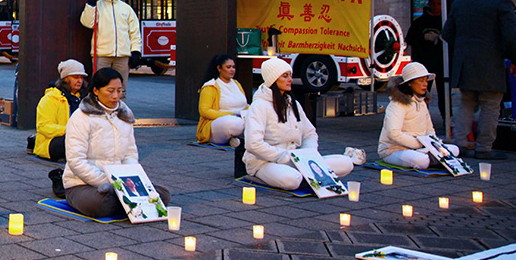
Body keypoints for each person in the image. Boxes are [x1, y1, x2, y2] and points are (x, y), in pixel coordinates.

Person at [60, 68, 170, 219]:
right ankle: (127, 203)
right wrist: (109, 183)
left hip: (122, 182)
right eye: (110, 90)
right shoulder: (81, 117)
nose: (115, 96)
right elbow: (75, 161)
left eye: (119, 91)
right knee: (101, 204)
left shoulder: (125, 115)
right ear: (96, 91)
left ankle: (126, 201)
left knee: (163, 195)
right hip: (82, 183)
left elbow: (130, 154)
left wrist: (127, 181)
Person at [243, 57, 354, 190]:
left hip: (297, 159)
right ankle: (305, 176)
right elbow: (253, 144)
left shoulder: (293, 103)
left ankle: (306, 174)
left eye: (290, 75)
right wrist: (283, 157)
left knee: (347, 163)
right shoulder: (259, 106)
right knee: (292, 180)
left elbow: (310, 133)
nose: (290, 79)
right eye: (285, 76)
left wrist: (308, 155)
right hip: (265, 162)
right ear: (273, 79)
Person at [443, 0, 516, 161]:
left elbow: (447, 34)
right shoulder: (501, 3)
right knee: (491, 106)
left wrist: (465, 49)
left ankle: (460, 145)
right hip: (491, 64)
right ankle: (484, 147)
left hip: (465, 64)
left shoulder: (460, 2)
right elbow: (510, 37)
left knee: (466, 104)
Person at [378, 62, 460, 169]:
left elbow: (430, 129)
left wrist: (433, 144)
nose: (425, 84)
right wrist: (419, 145)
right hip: (394, 150)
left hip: (420, 148)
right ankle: (431, 159)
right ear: (410, 83)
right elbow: (393, 133)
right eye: (421, 81)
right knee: (422, 161)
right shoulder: (397, 104)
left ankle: (430, 157)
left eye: (426, 80)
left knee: (454, 149)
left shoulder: (422, 102)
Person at [80, 0, 142, 90]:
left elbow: (134, 32)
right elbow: (87, 23)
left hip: (122, 56)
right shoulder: (97, 5)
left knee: (120, 89)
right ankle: (100, 107)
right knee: (100, 87)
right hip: (102, 55)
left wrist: (136, 51)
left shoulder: (126, 9)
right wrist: (90, 5)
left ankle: (119, 108)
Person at [35, 59, 88, 163]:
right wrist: (68, 130)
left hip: (79, 136)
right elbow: (43, 127)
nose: (80, 81)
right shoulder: (51, 98)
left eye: (81, 78)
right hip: (53, 141)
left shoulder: (84, 98)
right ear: (65, 79)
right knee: (69, 143)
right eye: (75, 77)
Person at [407, 0, 448, 124]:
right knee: (422, 92)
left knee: (445, 93)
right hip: (423, 63)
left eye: (439, 4)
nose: (436, 6)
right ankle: (420, 118)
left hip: (442, 63)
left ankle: (447, 119)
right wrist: (424, 38)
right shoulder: (420, 22)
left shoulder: (446, 21)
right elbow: (410, 39)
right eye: (434, 4)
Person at [197, 54, 248, 145]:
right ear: (219, 68)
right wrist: (231, 114)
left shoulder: (236, 84)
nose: (232, 70)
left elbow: (245, 105)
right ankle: (240, 136)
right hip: (218, 123)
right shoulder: (210, 86)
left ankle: (236, 139)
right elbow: (204, 111)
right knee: (233, 123)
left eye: (233, 67)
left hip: (241, 118)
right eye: (228, 67)